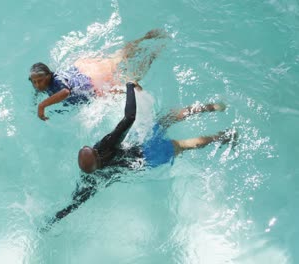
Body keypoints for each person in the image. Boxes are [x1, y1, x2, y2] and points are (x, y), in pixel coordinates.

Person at [42, 82, 237, 231]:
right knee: (172, 124)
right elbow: (130, 117)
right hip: (147, 154)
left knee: (181, 142)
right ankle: (217, 110)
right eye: (91, 148)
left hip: (142, 156)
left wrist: (52, 221)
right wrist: (129, 87)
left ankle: (225, 136)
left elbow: (74, 204)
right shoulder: (106, 145)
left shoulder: (93, 180)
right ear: (95, 152)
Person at [29, 29, 168, 121]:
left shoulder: (57, 81)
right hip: (81, 70)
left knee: (130, 78)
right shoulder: (43, 83)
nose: (37, 84)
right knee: (117, 57)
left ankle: (151, 50)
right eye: (34, 82)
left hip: (91, 82)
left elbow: (65, 91)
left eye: (40, 81)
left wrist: (42, 105)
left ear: (48, 76)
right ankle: (146, 41)